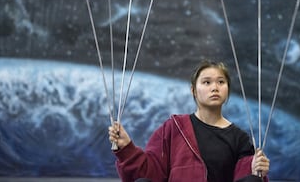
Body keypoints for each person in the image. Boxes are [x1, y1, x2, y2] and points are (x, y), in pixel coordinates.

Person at [108, 60, 270, 182]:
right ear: (193, 91)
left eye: (221, 82)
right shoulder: (173, 128)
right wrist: (126, 148)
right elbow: (151, 172)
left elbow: (243, 177)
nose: (215, 87)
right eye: (207, 82)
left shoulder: (239, 138)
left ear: (227, 89)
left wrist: (255, 168)